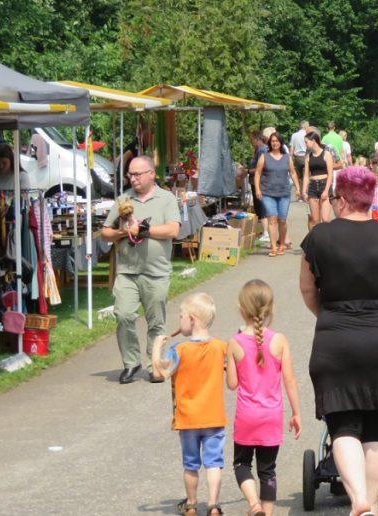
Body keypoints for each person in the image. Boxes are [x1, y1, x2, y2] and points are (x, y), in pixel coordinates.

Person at [299, 166, 378, 516]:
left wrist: (327, 314)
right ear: (369, 198)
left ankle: (358, 503)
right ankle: (373, 503)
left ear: (341, 199)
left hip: (336, 339)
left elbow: (308, 289)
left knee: (343, 426)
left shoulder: (318, 238)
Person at [101, 156, 182, 384]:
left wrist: (143, 230)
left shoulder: (166, 198)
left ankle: (154, 364)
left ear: (151, 173)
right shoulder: (124, 200)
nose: (133, 178)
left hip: (156, 272)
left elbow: (173, 230)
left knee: (156, 321)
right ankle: (131, 362)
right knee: (124, 315)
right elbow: (105, 231)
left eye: (137, 174)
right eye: (130, 174)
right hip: (127, 271)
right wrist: (122, 232)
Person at [226, 280, 302, 516]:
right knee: (268, 470)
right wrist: (296, 413)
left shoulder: (235, 343)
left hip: (247, 416)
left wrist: (227, 365)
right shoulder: (279, 340)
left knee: (241, 464)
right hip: (272, 415)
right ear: (270, 309)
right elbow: (289, 380)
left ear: (241, 309)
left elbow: (232, 385)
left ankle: (254, 504)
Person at [149, 293, 228, 516]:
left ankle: (192, 504)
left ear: (192, 319)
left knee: (191, 464)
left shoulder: (179, 350)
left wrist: (157, 347)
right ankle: (213, 504)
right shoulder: (220, 347)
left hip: (188, 419)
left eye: (181, 315)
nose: (180, 320)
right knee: (214, 463)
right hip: (213, 417)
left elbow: (158, 373)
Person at [255, 132, 302, 257]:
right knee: (272, 219)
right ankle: (274, 247)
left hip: (284, 193)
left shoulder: (287, 157)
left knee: (282, 220)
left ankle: (282, 244)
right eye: (272, 141)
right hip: (268, 192)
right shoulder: (264, 156)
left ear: (281, 142)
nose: (274, 143)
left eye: (277, 141)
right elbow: (258, 173)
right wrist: (258, 190)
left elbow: (292, 173)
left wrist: (298, 188)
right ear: (270, 143)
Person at [302, 132, 335, 227]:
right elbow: (306, 176)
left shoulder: (326, 154)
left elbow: (330, 174)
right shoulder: (308, 156)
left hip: (324, 185)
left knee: (325, 219)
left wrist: (326, 191)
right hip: (312, 187)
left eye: (306, 142)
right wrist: (304, 191)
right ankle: (316, 240)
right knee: (315, 219)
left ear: (313, 141)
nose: (305, 144)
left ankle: (328, 240)